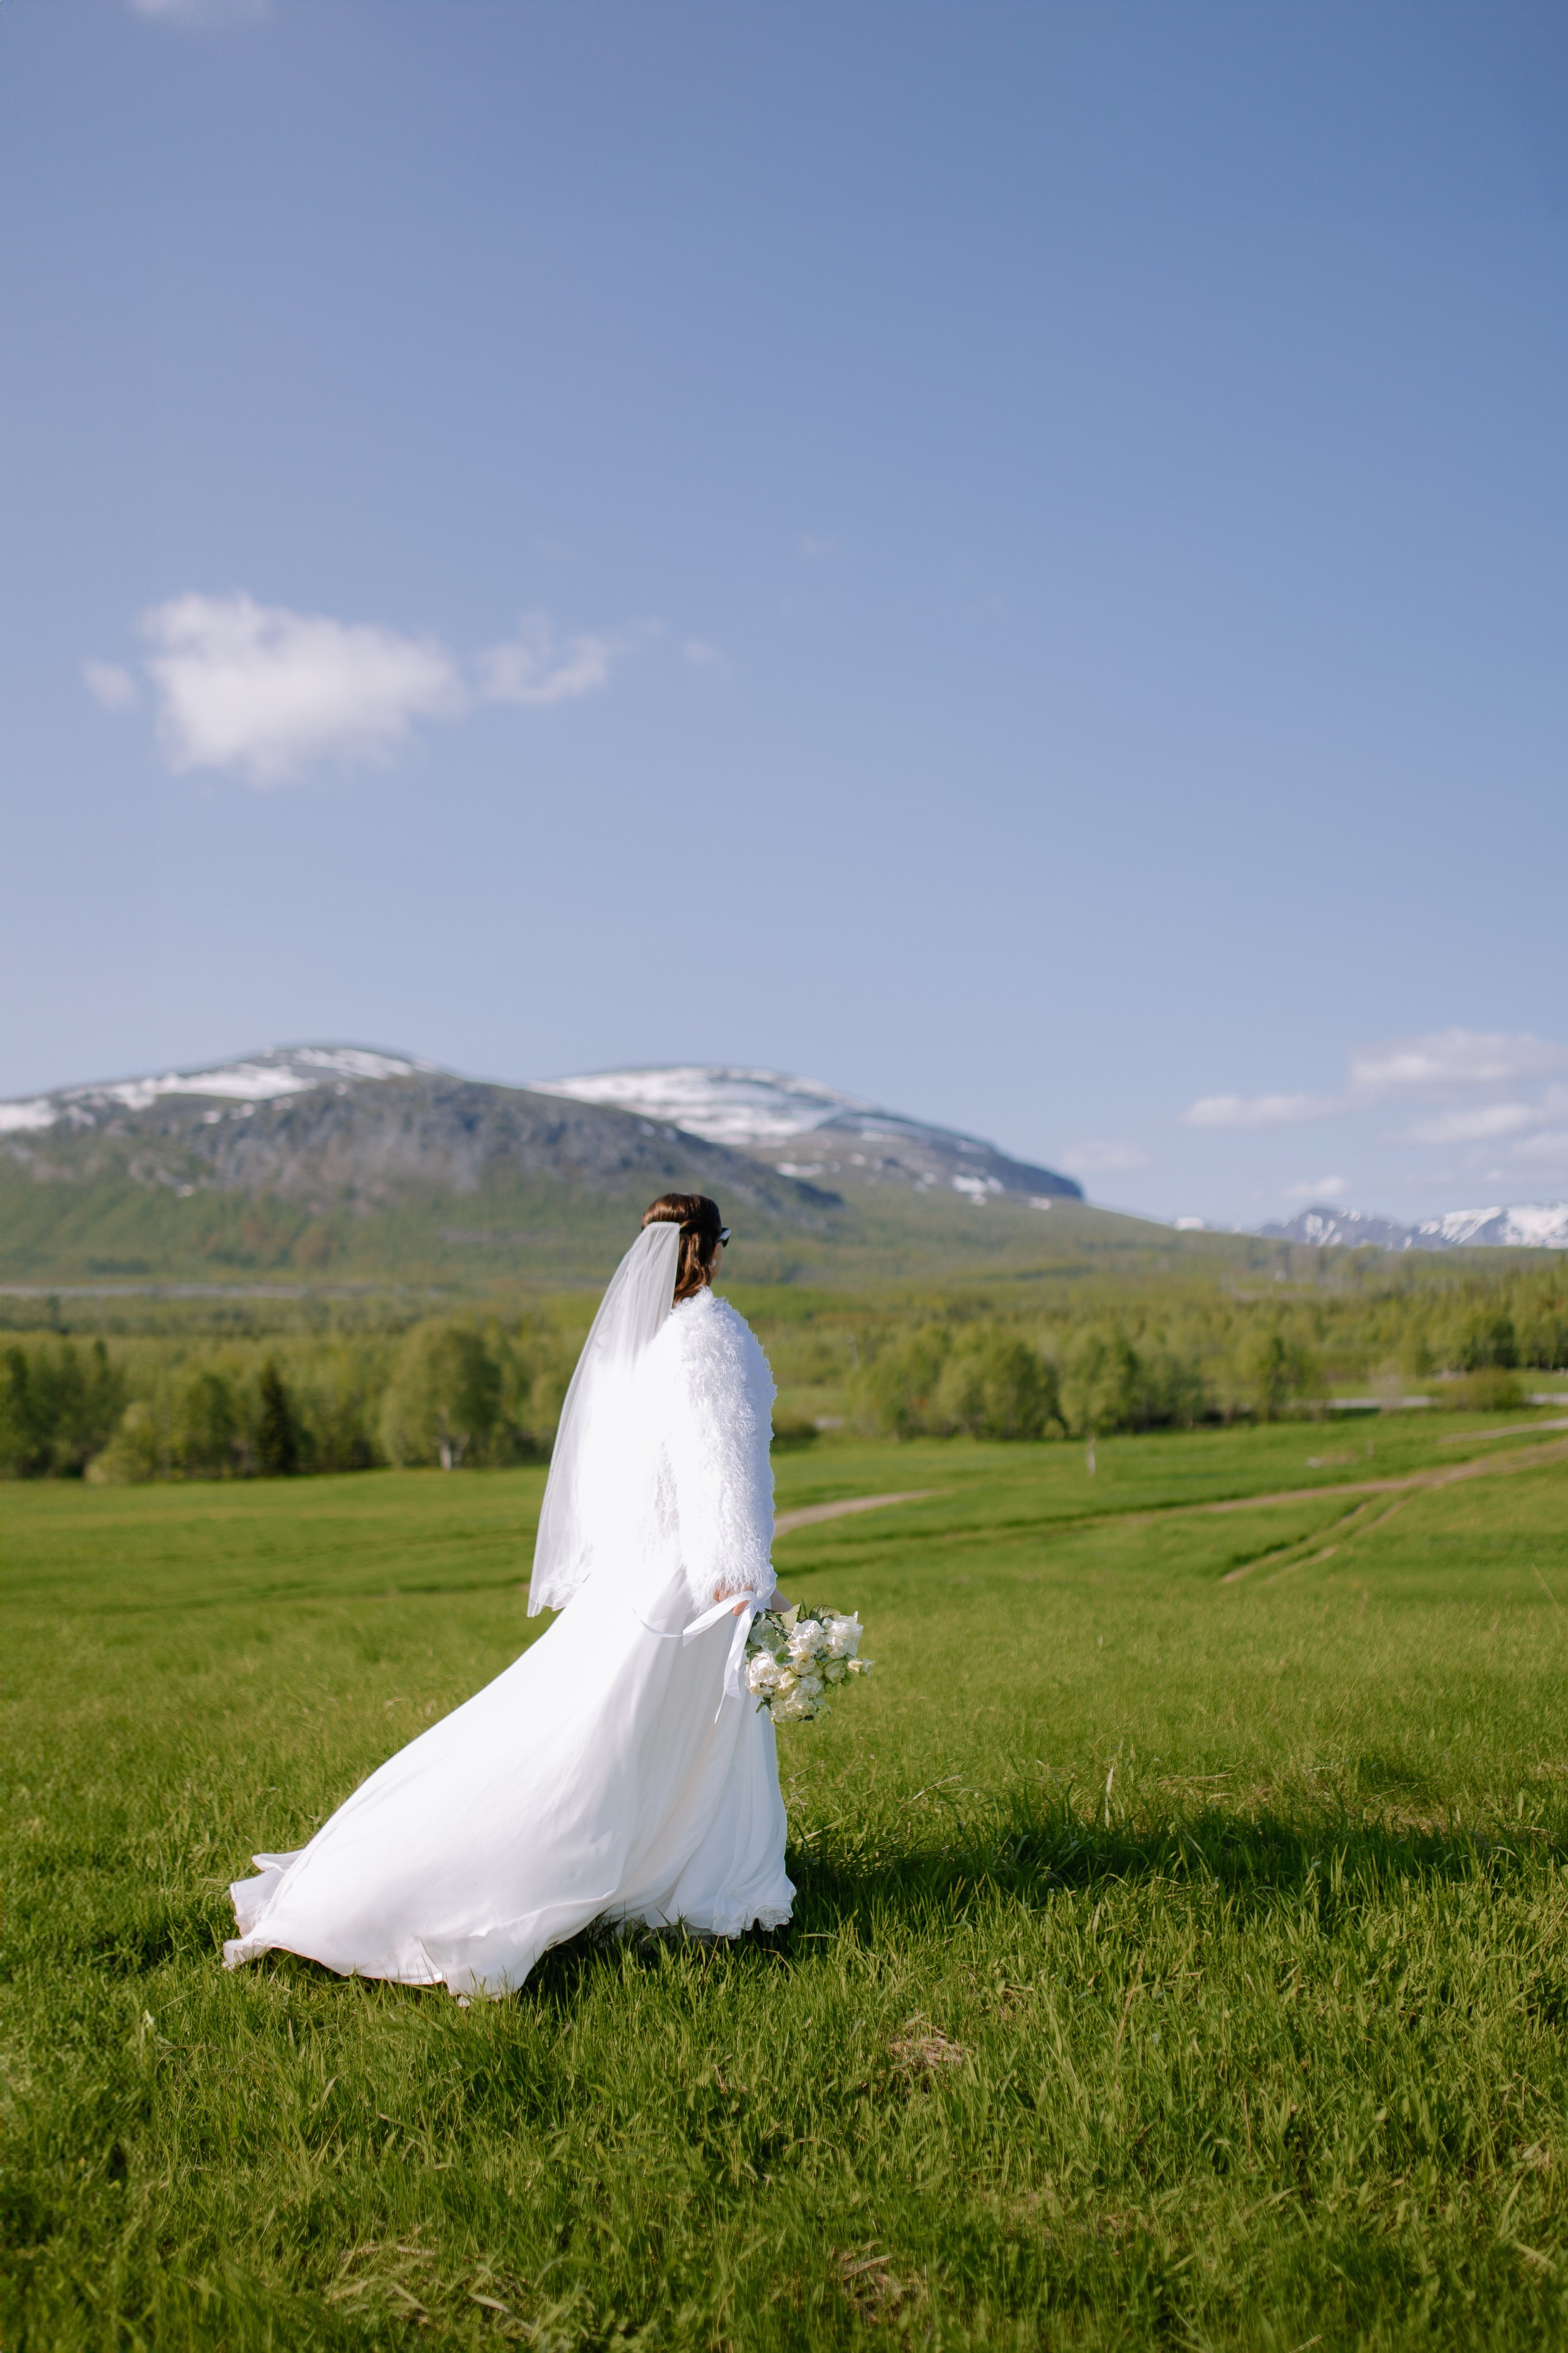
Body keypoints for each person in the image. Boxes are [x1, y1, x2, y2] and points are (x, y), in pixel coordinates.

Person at [224, 1193, 793, 2000]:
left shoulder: (642, 1346)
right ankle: (667, 1887)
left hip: (641, 1576)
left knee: (609, 1735)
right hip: (689, 1585)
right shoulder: (707, 1335)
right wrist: (742, 1581)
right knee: (616, 1747)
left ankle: (662, 1877)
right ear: (711, 1250)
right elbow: (718, 1466)